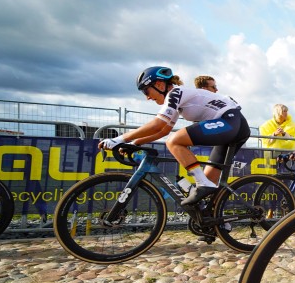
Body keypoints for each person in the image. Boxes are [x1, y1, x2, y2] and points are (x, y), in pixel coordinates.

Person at [98, 66, 249, 206]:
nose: (147, 98)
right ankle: (217, 224)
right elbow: (162, 131)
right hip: (233, 124)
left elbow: (157, 124)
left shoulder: (175, 93)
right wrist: (135, 143)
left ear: (160, 85)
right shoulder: (178, 100)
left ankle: (203, 184)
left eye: (146, 91)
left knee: (175, 141)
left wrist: (119, 139)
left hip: (231, 121)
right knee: (210, 181)